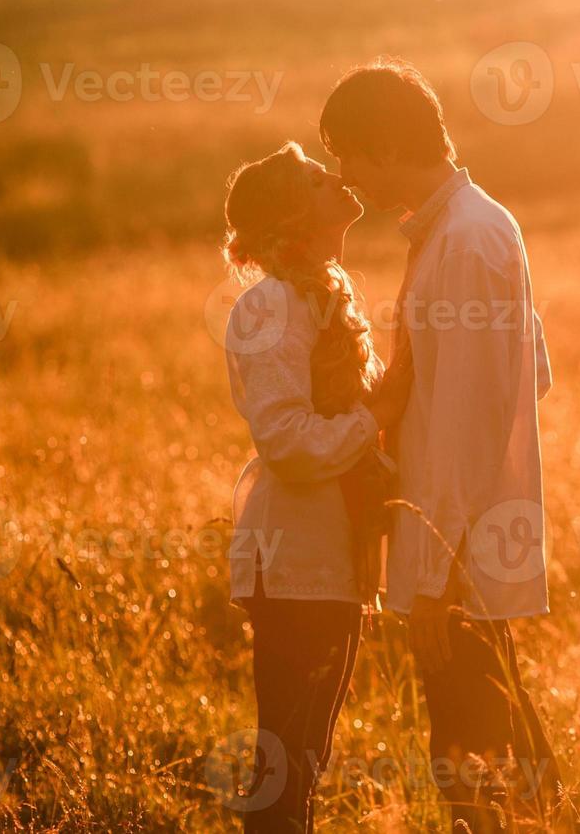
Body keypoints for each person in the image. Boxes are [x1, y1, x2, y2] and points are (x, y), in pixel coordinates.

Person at [319, 58, 566, 832]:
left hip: (453, 552)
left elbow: (470, 415)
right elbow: (532, 375)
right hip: (461, 538)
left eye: (347, 155)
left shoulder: (463, 241)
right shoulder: (471, 225)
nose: (345, 178)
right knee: (497, 741)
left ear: (387, 148)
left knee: (468, 760)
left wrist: (438, 565)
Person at [221, 141, 412, 833]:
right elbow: (288, 444)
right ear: (294, 215)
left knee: (305, 758)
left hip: (330, 561)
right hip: (296, 561)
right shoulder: (271, 305)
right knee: (287, 767)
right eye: (313, 177)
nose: (336, 175)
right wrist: (377, 415)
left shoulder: (325, 293)